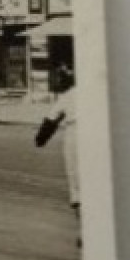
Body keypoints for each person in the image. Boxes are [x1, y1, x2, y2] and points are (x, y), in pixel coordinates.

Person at [35, 73, 80, 223]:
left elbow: (51, 119)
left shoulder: (68, 96)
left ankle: (83, 225)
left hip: (76, 133)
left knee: (75, 176)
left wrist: (40, 139)